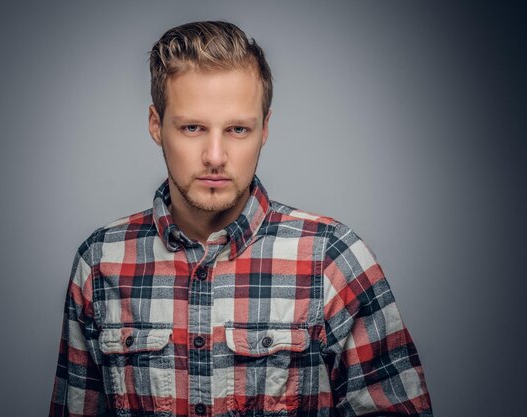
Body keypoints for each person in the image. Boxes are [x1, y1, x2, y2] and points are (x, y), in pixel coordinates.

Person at [49, 20, 433, 417]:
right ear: (156, 125)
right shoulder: (99, 264)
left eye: (237, 129)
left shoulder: (332, 260)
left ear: (264, 128)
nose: (215, 156)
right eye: (192, 127)